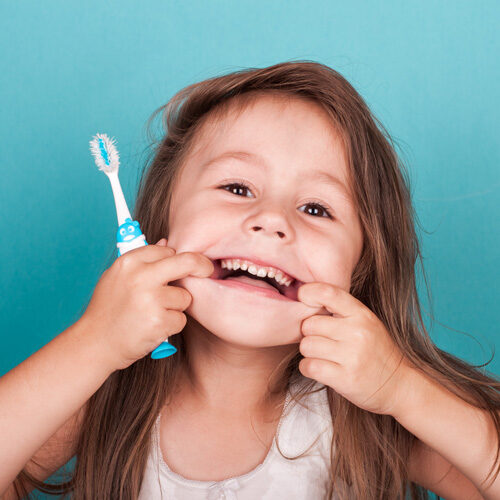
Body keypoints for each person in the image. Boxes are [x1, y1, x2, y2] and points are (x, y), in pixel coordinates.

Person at [1, 61, 498, 500]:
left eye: (316, 208)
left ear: (359, 271)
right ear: (162, 223)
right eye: (237, 188)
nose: (272, 220)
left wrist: (403, 390)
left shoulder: (367, 420)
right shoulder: (108, 395)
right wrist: (93, 343)